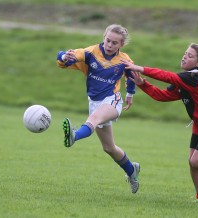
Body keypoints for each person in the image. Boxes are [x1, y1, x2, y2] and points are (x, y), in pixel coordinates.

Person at [121, 43, 198, 202]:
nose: (185, 56)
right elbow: (162, 96)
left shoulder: (191, 77)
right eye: (185, 53)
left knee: (196, 161)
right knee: (193, 163)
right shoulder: (184, 81)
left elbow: (166, 76)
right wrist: (143, 84)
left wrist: (141, 68)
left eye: (190, 56)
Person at [56, 24, 140, 194]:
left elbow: (132, 75)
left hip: (112, 101)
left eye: (115, 43)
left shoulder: (124, 60)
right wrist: (65, 56)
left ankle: (74, 136)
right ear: (103, 37)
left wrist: (130, 94)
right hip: (94, 102)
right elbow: (65, 58)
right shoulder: (90, 53)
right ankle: (132, 171)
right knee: (109, 148)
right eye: (108, 40)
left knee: (93, 120)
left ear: (121, 44)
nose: (110, 45)